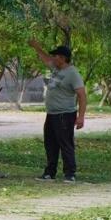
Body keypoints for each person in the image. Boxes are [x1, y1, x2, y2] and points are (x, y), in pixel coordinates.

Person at [28, 40, 87, 182]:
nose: (53, 58)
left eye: (56, 56)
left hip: (64, 115)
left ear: (62, 58)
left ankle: (70, 174)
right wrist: (36, 46)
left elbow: (82, 95)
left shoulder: (72, 73)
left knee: (65, 143)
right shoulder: (56, 69)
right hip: (52, 114)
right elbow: (46, 59)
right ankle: (50, 173)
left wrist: (81, 117)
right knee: (50, 144)